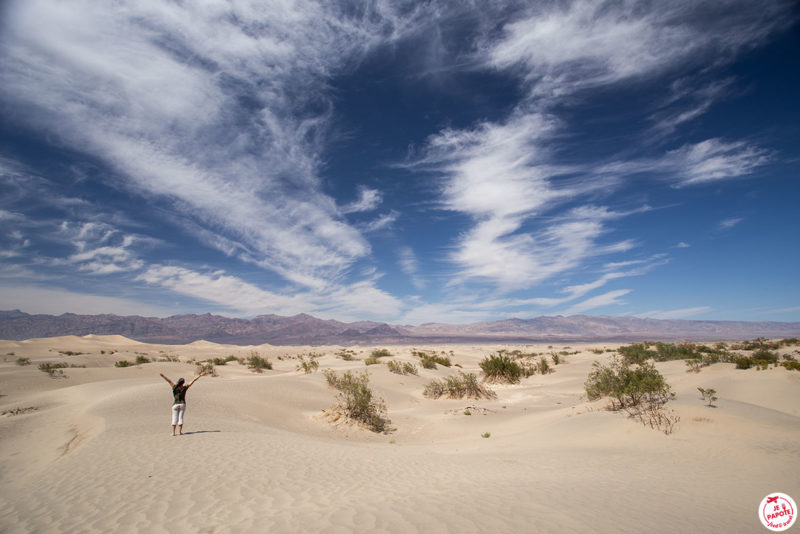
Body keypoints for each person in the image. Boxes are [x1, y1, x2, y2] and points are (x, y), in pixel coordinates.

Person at [159, 371, 206, 436]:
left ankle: (173, 432)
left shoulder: (174, 387)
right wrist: (200, 375)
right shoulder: (184, 388)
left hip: (175, 404)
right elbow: (193, 380)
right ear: (183, 383)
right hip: (182, 404)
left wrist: (163, 376)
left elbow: (169, 381)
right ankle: (180, 432)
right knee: (180, 417)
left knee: (174, 418)